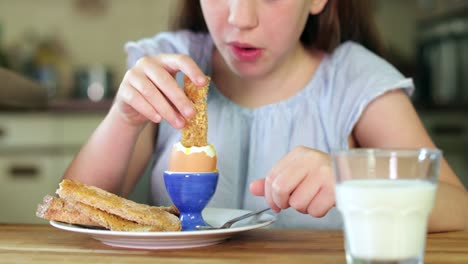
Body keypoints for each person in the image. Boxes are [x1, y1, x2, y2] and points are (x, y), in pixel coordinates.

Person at [63, 0, 467, 231]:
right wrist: (124, 117)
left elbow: (460, 209)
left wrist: (354, 178)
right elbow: (74, 208)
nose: (240, 18)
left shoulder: (353, 83)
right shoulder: (170, 69)